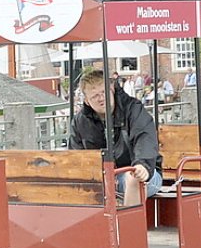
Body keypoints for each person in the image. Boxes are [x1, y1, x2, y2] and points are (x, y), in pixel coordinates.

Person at [68, 66, 161, 205]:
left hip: (143, 172)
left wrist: (142, 165)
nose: (101, 99)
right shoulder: (80, 121)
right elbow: (76, 155)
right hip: (102, 178)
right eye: (95, 96)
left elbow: (144, 137)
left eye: (104, 92)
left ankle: (128, 225)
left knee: (132, 178)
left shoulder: (133, 109)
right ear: (87, 101)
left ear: (111, 90)